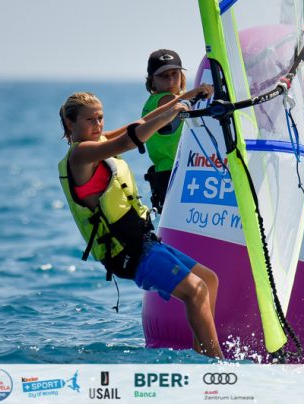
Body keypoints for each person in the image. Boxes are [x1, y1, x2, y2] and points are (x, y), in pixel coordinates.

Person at [58, 92, 223, 359]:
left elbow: (141, 123)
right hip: (126, 251)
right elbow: (129, 140)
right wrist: (175, 112)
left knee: (208, 280)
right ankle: (217, 365)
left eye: (100, 118)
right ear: (70, 122)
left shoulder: (97, 141)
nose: (98, 125)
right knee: (196, 290)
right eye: (90, 120)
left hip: (143, 241)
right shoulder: (81, 154)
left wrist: (187, 97)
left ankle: (202, 356)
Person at [142, 49, 213, 213]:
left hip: (169, 174)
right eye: (163, 76)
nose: (171, 80)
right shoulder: (162, 100)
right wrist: (197, 92)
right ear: (152, 81)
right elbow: (175, 103)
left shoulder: (159, 101)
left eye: (175, 73)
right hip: (172, 175)